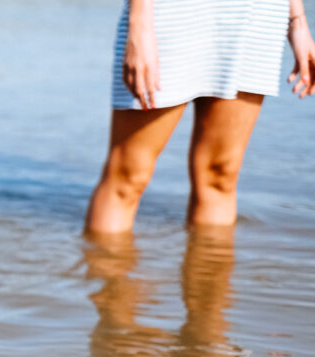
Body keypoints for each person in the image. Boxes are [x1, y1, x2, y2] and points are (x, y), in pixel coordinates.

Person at [84, 0, 315, 234]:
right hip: (173, 12)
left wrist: (297, 21)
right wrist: (140, 25)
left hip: (256, 15)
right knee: (128, 176)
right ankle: (106, 269)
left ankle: (206, 269)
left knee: (220, 175)